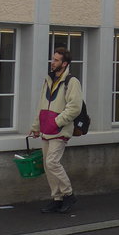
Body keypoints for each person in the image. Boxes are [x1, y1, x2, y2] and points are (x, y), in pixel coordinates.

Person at [29, 47, 84, 213]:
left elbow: (75, 107)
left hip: (60, 130)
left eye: (56, 60)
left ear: (64, 63)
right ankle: (57, 198)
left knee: (52, 162)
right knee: (48, 165)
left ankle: (68, 194)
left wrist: (58, 121)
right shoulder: (48, 80)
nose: (52, 62)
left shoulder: (71, 82)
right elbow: (41, 105)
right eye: (53, 59)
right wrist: (36, 127)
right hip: (46, 129)